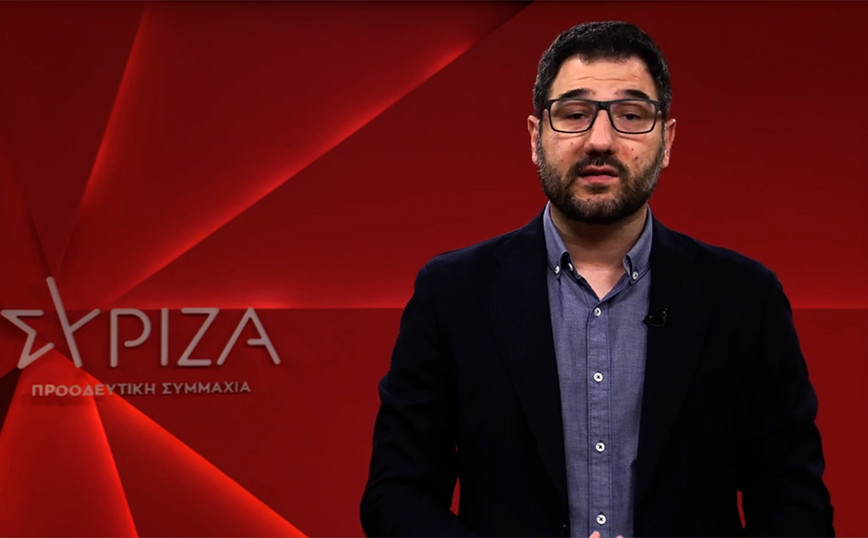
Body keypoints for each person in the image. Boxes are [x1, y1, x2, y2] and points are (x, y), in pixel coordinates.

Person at [360, 21, 833, 538]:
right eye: (574, 115)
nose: (600, 141)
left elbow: (795, 503)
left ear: (667, 140)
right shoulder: (453, 292)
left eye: (630, 116)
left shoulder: (744, 298)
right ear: (535, 137)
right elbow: (395, 496)